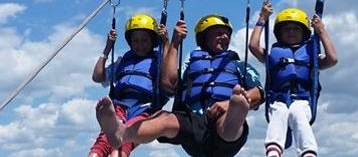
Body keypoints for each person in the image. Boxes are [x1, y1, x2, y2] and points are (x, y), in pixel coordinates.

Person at [95, 14, 265, 157]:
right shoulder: (190, 64)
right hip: (194, 124)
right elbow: (169, 83)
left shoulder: (240, 66)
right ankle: (122, 133)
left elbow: (260, 92)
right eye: (219, 33)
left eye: (227, 34)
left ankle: (236, 107)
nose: (225, 37)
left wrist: (228, 104)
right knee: (164, 118)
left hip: (227, 131)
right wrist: (174, 42)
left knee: (229, 116)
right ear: (205, 38)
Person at [249, 0, 338, 157]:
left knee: (297, 111)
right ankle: (273, 151)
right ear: (279, 33)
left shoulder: (311, 55)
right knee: (280, 112)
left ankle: (308, 152)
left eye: (296, 28)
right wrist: (262, 18)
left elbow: (332, 59)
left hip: (303, 102)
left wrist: (321, 31)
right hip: (278, 100)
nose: (291, 32)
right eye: (287, 29)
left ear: (304, 32)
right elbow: (253, 46)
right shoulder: (273, 55)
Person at [88, 13, 169, 157]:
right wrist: (108, 48)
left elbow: (171, 79)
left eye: (144, 40)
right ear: (130, 42)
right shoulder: (123, 62)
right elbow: (97, 77)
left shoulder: (159, 61)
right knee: (103, 141)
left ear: (153, 41)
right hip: (119, 105)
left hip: (145, 107)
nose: (140, 45)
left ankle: (117, 138)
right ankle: (105, 145)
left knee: (127, 136)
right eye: (135, 41)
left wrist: (166, 42)